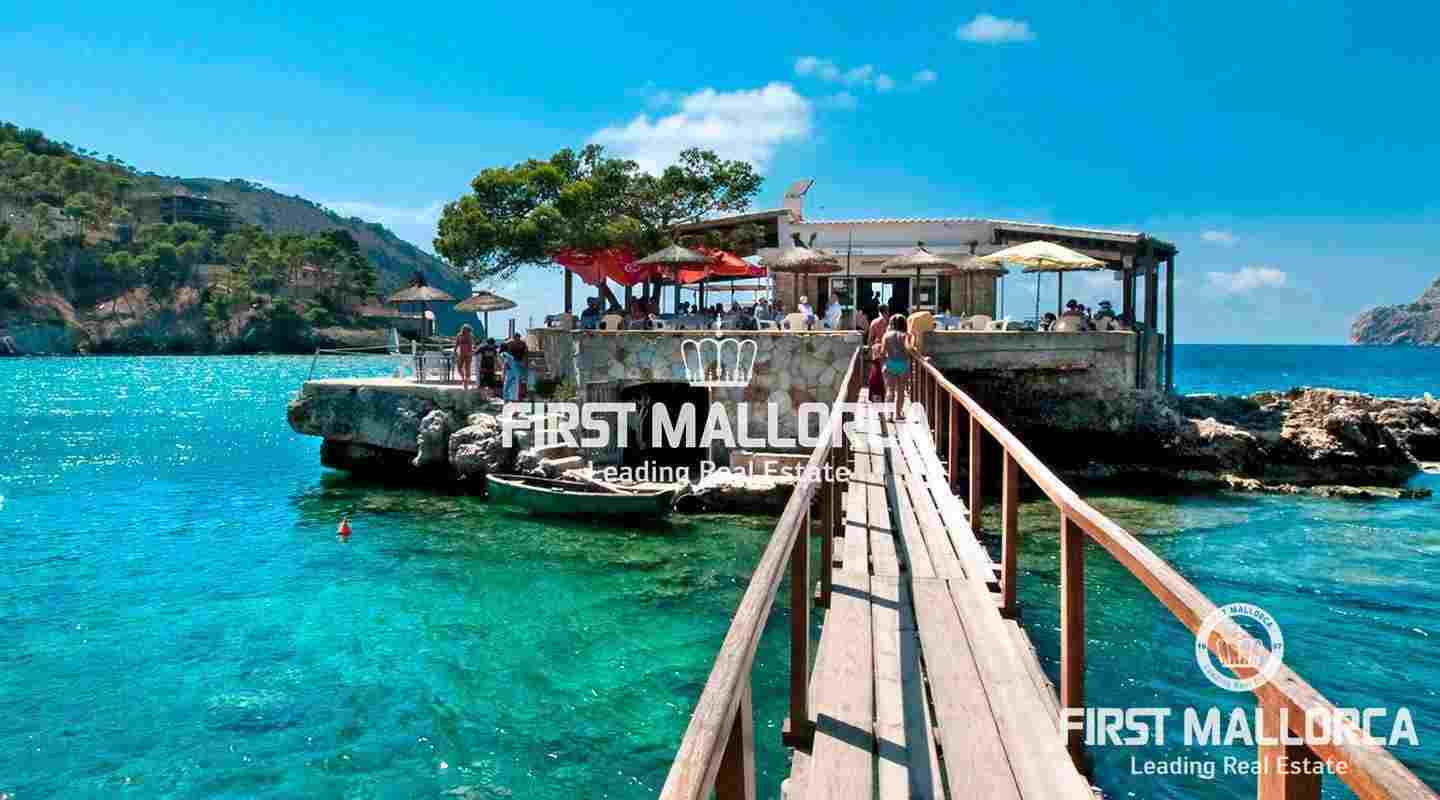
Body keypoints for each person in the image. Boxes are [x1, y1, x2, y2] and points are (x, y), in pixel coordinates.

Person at [881, 314, 912, 420]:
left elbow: (882, 352)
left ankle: (889, 415)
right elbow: (909, 349)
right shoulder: (905, 335)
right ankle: (898, 414)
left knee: (890, 390)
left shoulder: (886, 336)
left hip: (890, 364)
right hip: (903, 364)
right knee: (901, 391)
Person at [866, 305, 889, 402]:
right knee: (884, 372)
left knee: (875, 372)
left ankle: (874, 395)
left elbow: (870, 338)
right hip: (886, 348)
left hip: (876, 348)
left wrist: (869, 350)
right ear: (887, 311)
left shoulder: (874, 322)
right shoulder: (888, 322)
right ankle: (884, 395)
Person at [455, 323, 475, 391]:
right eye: (464, 329)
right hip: (461, 354)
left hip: (468, 354)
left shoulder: (470, 336)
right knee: (459, 368)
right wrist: (455, 351)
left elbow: (471, 345)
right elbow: (457, 343)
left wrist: (471, 352)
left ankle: (466, 383)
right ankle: (463, 379)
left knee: (467, 368)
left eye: (467, 329)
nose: (465, 330)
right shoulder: (459, 335)